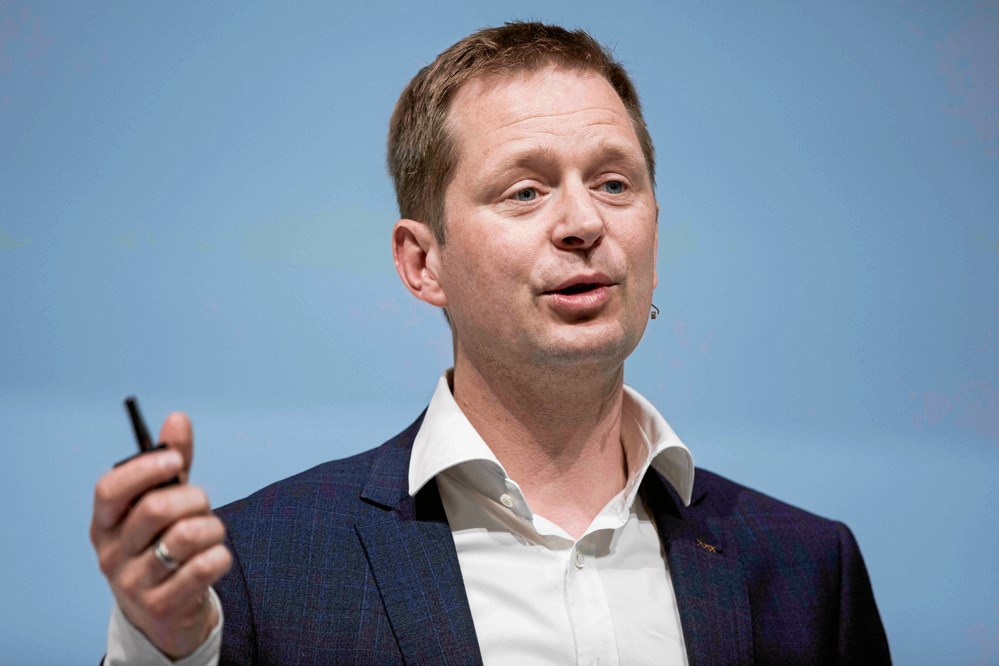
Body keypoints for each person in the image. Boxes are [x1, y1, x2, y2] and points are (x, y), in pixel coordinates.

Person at [91, 22, 891, 665]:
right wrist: (165, 649)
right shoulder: (258, 568)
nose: (583, 222)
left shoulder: (807, 567)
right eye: (525, 190)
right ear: (422, 261)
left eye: (614, 183)